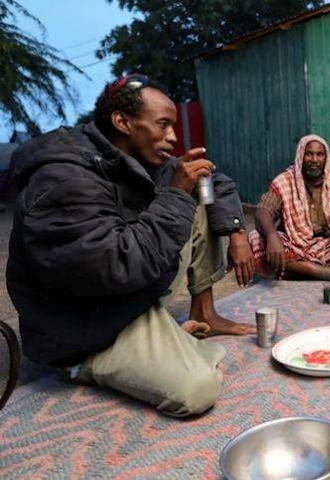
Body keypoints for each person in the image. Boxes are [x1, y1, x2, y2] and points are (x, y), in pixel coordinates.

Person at [7, 74, 255, 417]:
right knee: (196, 390)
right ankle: (81, 367)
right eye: (163, 125)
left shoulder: (140, 158)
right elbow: (114, 266)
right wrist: (175, 195)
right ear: (123, 122)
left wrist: (237, 231)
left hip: (126, 296)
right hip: (83, 328)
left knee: (198, 191)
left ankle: (202, 314)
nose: (173, 137)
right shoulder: (64, 177)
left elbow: (214, 180)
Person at [249, 134, 330, 281]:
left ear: (326, 157)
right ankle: (325, 273)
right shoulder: (285, 181)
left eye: (319, 155)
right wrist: (272, 236)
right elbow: (263, 210)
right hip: (295, 247)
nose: (314, 160)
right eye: (309, 154)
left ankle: (300, 271)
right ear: (300, 156)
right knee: (257, 237)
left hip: (329, 247)